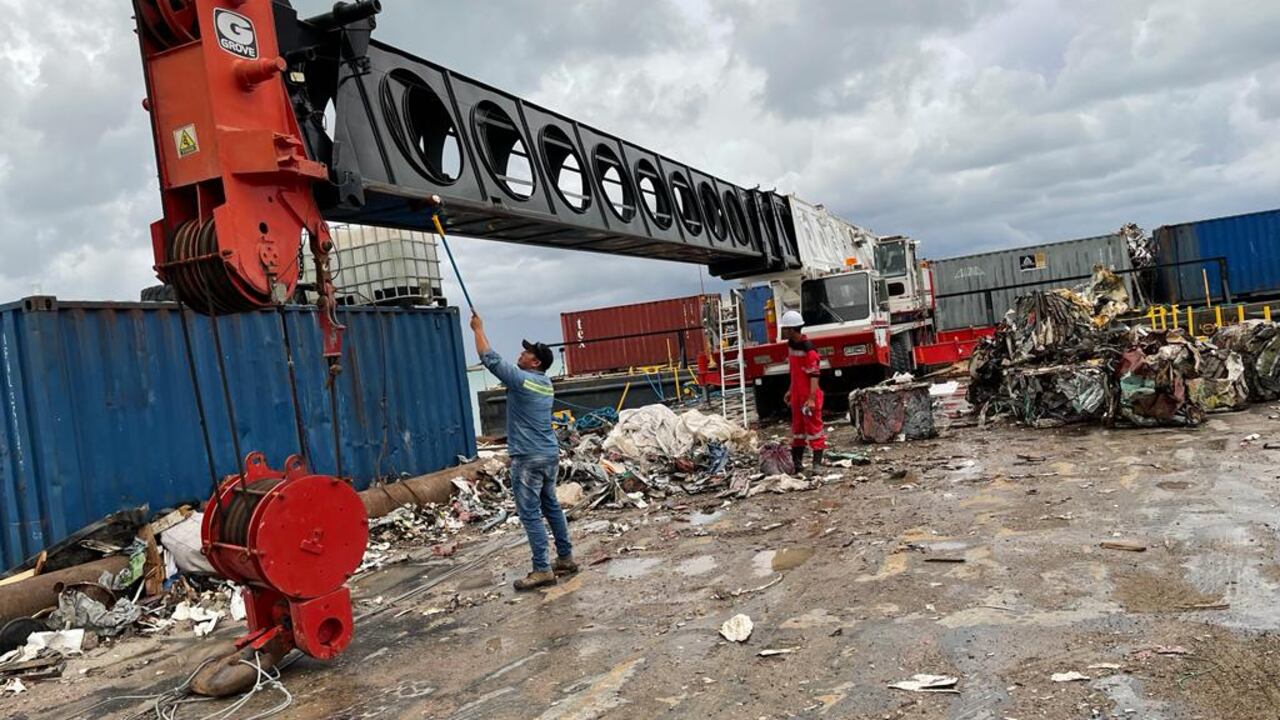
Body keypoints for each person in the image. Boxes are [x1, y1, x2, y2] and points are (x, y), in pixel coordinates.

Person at [470, 312, 576, 591]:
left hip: (528, 457)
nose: (520, 353)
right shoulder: (544, 383)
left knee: (530, 513)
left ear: (536, 362)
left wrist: (478, 329)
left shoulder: (523, 381)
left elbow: (490, 359)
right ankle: (565, 558)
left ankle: (542, 569)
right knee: (551, 506)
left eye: (526, 353)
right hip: (548, 454)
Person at [778, 310, 825, 471]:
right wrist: (790, 391)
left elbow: (814, 376)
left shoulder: (809, 351)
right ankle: (797, 464)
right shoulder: (791, 346)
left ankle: (816, 465)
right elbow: (795, 372)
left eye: (785, 328)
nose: (782, 331)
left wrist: (811, 399)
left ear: (791, 329)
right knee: (797, 430)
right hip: (798, 394)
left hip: (809, 395)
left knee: (814, 430)